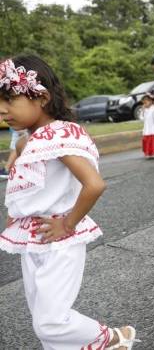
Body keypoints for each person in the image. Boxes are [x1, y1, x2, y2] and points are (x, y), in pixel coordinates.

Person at [0, 55, 138, 350]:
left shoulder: (60, 135)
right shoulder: (27, 141)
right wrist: (16, 216)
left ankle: (113, 337)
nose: (2, 109)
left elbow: (94, 184)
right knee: (43, 320)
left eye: (10, 98)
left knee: (51, 321)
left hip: (60, 239)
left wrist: (68, 223)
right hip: (32, 237)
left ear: (43, 97)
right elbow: (30, 186)